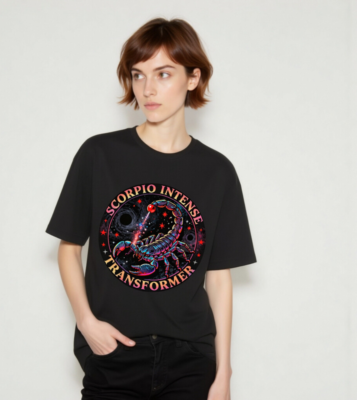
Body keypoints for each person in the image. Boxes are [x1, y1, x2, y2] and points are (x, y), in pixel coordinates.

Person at [45, 17, 257, 400]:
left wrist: (223, 373)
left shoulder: (217, 172)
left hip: (190, 358)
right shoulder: (99, 155)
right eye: (138, 75)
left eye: (163, 74)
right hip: (114, 353)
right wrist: (87, 322)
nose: (148, 89)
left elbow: (218, 278)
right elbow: (68, 247)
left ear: (193, 78)